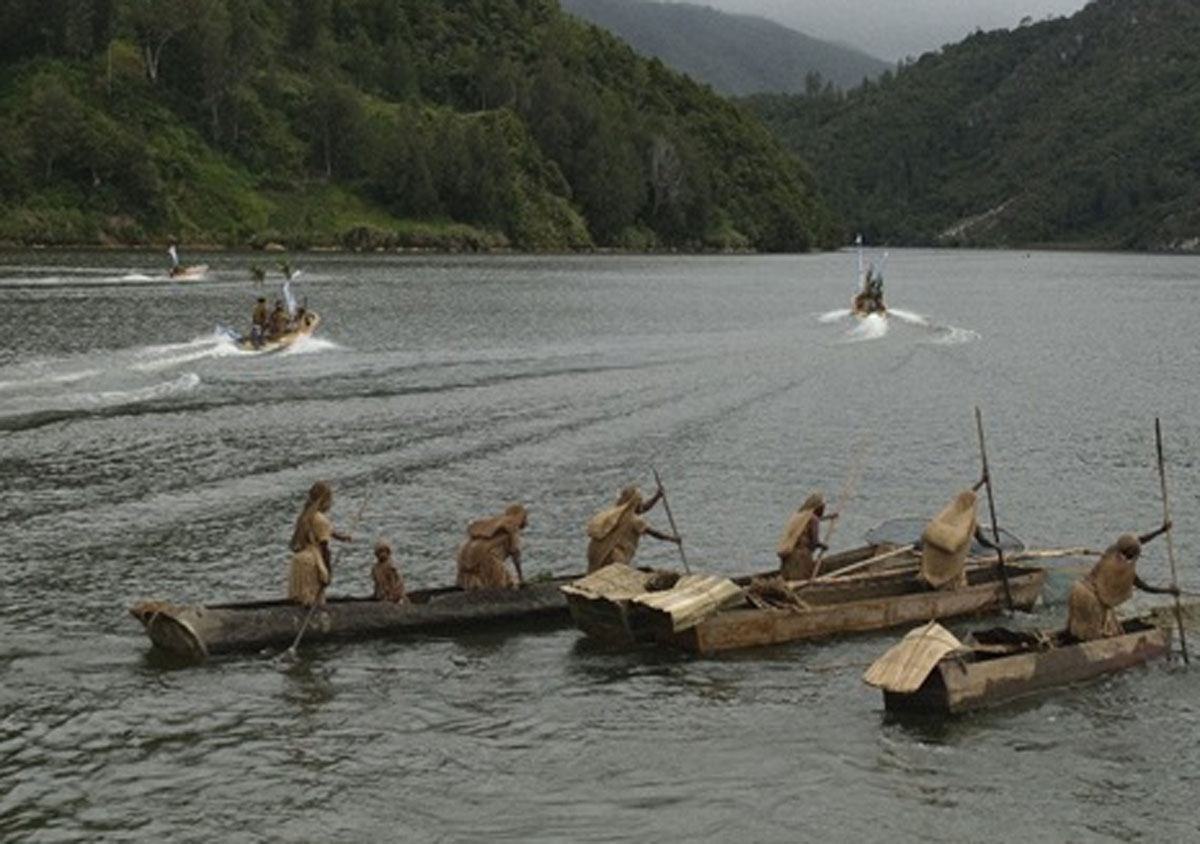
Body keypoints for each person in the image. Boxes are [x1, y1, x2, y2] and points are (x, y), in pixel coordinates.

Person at [1067, 522, 1176, 641]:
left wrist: (1160, 531)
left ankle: (1071, 642)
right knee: (1093, 636)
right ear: (1132, 554)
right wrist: (1169, 591)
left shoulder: (1112, 550)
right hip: (1092, 601)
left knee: (1078, 627)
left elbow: (1140, 540)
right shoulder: (1124, 571)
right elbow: (1146, 587)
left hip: (1079, 589)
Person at [918, 478, 999, 590]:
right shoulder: (970, 524)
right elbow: (982, 541)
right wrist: (996, 547)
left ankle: (931, 587)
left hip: (934, 557)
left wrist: (981, 482)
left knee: (932, 575)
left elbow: (967, 495)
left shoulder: (948, 514)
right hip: (951, 560)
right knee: (953, 580)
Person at [585, 484, 681, 573]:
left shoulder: (616, 514)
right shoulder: (634, 520)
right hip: (614, 557)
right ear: (634, 503)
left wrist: (657, 496)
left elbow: (642, 508)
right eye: (639, 501)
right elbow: (655, 533)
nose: (641, 503)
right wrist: (672, 539)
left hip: (601, 555)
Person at [286, 481, 352, 606]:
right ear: (324, 500)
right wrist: (328, 571)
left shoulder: (305, 516)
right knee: (314, 601)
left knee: (300, 600)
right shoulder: (321, 520)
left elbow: (326, 530)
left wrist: (341, 537)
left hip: (299, 560)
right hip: (311, 563)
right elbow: (324, 548)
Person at [456, 503, 528, 590]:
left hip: (464, 555)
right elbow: (515, 552)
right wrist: (521, 577)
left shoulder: (493, 522)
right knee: (506, 586)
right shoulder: (512, 526)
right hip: (485, 555)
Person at [776, 493, 839, 581]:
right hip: (801, 556)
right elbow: (815, 541)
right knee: (802, 580)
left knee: (788, 579)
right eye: (823, 508)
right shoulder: (814, 520)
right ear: (818, 508)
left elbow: (811, 521)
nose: (823, 510)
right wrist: (823, 546)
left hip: (789, 554)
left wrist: (829, 517)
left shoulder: (799, 515)